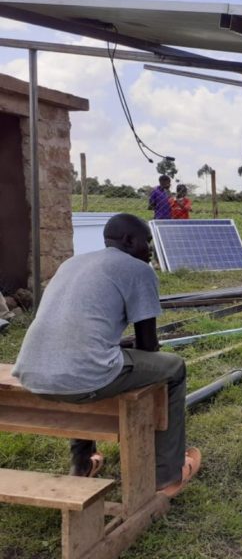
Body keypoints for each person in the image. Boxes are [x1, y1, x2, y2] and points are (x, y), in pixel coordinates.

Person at [13, 213, 201, 498]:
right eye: (146, 242)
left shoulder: (72, 263)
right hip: (83, 377)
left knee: (85, 367)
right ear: (128, 240)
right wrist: (129, 349)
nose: (150, 250)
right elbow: (148, 344)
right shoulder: (138, 269)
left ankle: (82, 462)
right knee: (174, 368)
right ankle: (167, 475)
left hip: (31, 371)